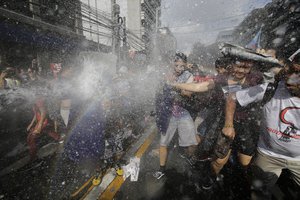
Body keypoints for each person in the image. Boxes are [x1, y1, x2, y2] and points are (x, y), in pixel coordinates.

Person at [172, 57, 264, 188]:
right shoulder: (222, 78)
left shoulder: (256, 78)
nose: (240, 70)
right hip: (224, 124)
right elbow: (201, 86)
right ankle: (211, 176)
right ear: (231, 65)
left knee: (245, 162)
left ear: (250, 68)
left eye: (245, 67)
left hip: (246, 126)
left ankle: (245, 185)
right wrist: (176, 84)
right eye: (238, 66)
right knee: (219, 161)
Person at [224, 49, 300, 199]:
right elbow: (232, 98)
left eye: (298, 75)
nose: (291, 79)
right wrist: (228, 124)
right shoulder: (270, 89)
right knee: (258, 194)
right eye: (291, 72)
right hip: (268, 155)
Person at [153, 52, 198, 180]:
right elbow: (158, 92)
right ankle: (161, 169)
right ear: (172, 64)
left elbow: (188, 93)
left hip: (183, 112)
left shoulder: (189, 75)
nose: (179, 69)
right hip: (167, 113)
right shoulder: (164, 74)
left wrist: (174, 85)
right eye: (176, 65)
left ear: (185, 66)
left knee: (192, 142)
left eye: (182, 66)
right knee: (163, 143)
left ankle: (189, 159)